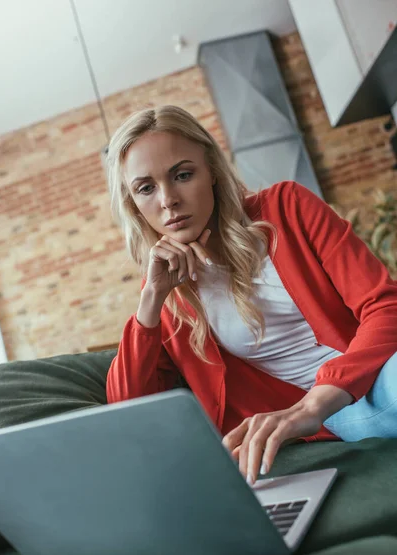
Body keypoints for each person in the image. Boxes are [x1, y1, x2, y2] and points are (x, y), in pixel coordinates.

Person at [105, 105, 397, 485]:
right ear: (133, 204)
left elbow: (385, 305)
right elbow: (127, 410)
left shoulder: (287, 208)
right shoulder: (167, 291)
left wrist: (314, 404)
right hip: (338, 417)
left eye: (182, 175)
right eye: (146, 188)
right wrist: (150, 302)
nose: (168, 200)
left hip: (367, 379)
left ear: (210, 170)